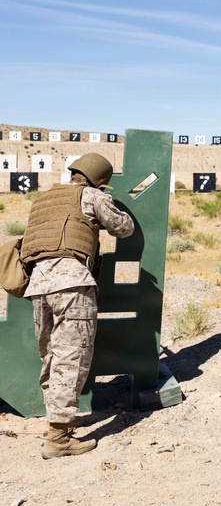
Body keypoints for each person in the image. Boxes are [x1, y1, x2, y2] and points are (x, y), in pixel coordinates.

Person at [21, 153, 135, 459]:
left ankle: (61, 421)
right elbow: (122, 228)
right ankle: (58, 438)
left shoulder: (44, 199)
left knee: (52, 356)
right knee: (73, 356)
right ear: (98, 178)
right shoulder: (91, 196)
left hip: (38, 285)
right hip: (72, 283)